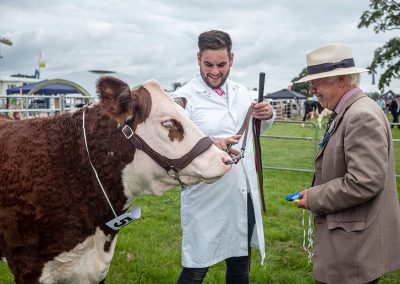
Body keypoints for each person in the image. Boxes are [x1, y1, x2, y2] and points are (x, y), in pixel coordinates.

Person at [172, 30, 275, 284]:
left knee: (240, 269)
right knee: (195, 269)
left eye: (221, 64)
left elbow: (256, 130)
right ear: (198, 59)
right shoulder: (184, 98)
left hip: (242, 194)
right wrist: (212, 144)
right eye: (208, 64)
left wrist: (267, 114)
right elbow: (174, 147)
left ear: (231, 59)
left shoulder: (242, 92)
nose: (215, 71)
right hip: (207, 197)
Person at [295, 43, 400, 284]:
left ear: (341, 80)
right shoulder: (350, 110)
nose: (312, 90)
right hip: (351, 245)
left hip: (353, 251)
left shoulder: (360, 115)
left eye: (316, 83)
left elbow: (364, 182)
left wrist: (315, 198)